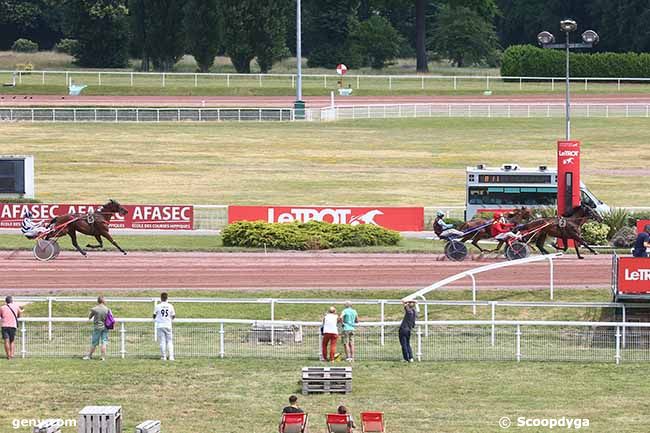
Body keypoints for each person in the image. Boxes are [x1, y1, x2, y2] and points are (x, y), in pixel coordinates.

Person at [83, 296, 110, 361]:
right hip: (105, 327)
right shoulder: (107, 309)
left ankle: (89, 356)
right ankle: (103, 357)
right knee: (104, 342)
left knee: (94, 343)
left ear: (98, 301)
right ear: (103, 301)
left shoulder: (94, 309)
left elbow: (89, 317)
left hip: (97, 327)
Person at [153, 292, 176, 361]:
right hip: (168, 325)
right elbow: (173, 316)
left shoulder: (157, 306)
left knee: (162, 341)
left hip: (160, 325)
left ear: (161, 298)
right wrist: (169, 319)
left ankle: (163, 357)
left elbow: (154, 316)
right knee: (169, 341)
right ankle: (171, 357)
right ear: (167, 298)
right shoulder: (170, 306)